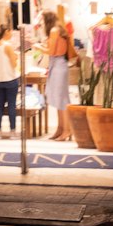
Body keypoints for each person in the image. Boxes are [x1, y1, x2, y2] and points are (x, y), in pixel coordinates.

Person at [43, 11, 73, 140]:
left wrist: (37, 47)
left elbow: (51, 51)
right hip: (58, 64)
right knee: (58, 98)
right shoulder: (58, 29)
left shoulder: (54, 30)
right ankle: (60, 129)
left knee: (62, 99)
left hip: (58, 65)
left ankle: (67, 130)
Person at [0, 23, 20, 135]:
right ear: (6, 32)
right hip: (10, 79)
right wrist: (16, 58)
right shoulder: (7, 46)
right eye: (10, 31)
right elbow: (13, 64)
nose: (11, 33)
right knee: (12, 105)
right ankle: (12, 131)